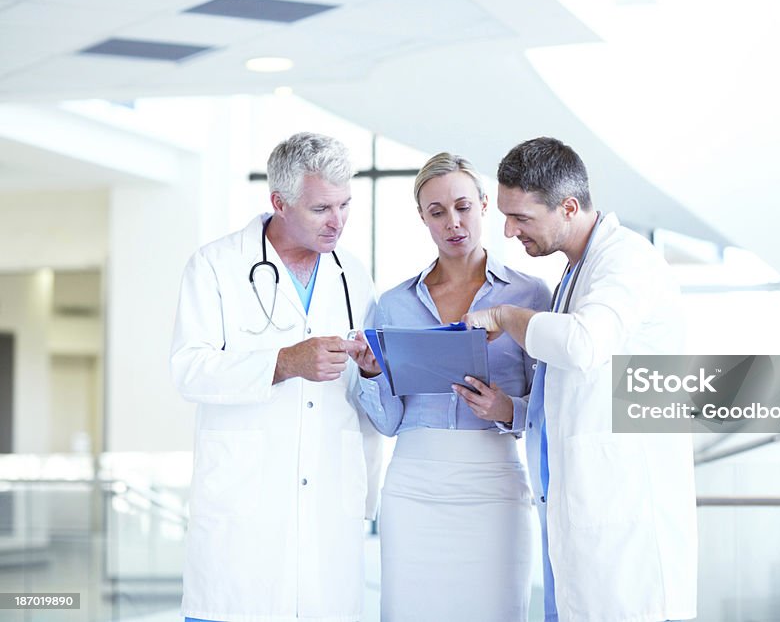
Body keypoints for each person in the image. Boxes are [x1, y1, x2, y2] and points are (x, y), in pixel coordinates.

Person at [462, 137, 698, 622]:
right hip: (579, 514)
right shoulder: (576, 272)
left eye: (522, 217)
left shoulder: (627, 261)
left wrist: (507, 316)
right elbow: (579, 400)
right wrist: (514, 411)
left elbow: (583, 344)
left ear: (568, 207)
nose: (508, 231)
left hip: (624, 523)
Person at [169, 132, 382, 622]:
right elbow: (189, 370)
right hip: (245, 514)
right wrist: (283, 362)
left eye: (345, 204)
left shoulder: (352, 273)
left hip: (329, 504)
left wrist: (371, 370)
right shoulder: (215, 265)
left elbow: (360, 390)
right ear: (279, 203)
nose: (338, 221)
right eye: (321, 208)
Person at [344, 152, 549, 621]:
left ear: (483, 205)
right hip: (413, 487)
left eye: (462, 207)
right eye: (437, 212)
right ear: (423, 218)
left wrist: (507, 409)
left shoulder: (530, 295)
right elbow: (390, 422)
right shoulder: (394, 304)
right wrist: (372, 374)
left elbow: (554, 402)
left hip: (494, 484)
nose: (452, 222)